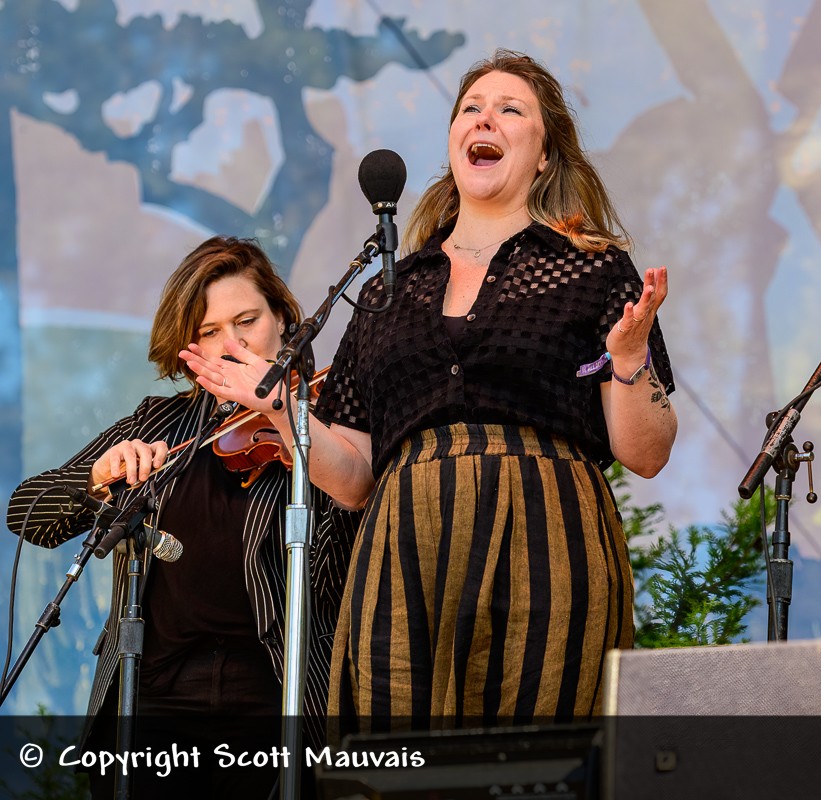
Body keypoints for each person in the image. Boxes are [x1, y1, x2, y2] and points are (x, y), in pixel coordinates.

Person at [182, 49, 677, 733]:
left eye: (511, 110)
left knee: (545, 751)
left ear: (544, 155)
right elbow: (353, 478)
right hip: (405, 538)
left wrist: (627, 359)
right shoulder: (391, 289)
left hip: (550, 531)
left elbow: (646, 452)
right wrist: (280, 408)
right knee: (401, 751)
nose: (485, 119)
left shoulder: (591, 270)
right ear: (453, 144)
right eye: (471, 108)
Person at [6, 237, 360, 798]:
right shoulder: (158, 423)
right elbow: (29, 512)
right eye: (209, 332)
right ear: (187, 348)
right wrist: (99, 475)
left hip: (277, 691)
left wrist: (289, 418)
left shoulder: (329, 421)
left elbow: (362, 509)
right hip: (152, 696)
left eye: (247, 321)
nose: (233, 345)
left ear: (283, 319)